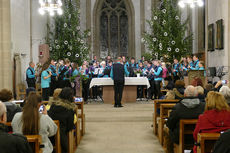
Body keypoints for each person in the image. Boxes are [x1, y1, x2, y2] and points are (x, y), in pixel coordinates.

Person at [48, 87, 77, 153]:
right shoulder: (69, 109)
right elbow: (70, 127)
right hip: (62, 138)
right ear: (70, 97)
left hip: (50, 135)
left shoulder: (53, 106)